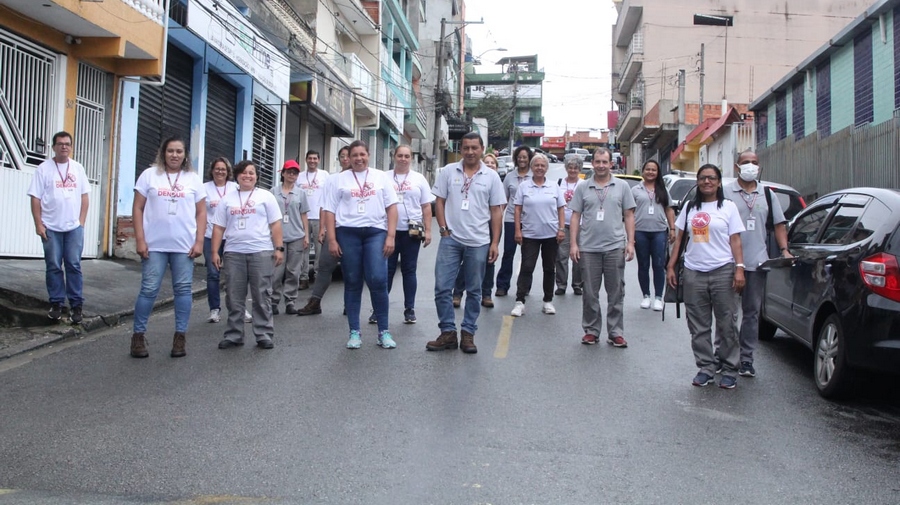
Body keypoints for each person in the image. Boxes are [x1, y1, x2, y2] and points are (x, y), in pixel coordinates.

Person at [666, 163, 746, 389]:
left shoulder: (728, 207)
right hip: (693, 272)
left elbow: (735, 240)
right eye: (702, 178)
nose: (706, 182)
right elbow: (680, 239)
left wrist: (739, 267)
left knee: (726, 323)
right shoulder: (691, 208)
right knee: (698, 325)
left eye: (711, 178)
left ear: (719, 182)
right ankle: (706, 367)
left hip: (723, 271)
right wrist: (671, 267)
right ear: (698, 182)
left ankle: (730, 368)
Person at [427, 132, 505, 354]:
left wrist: (494, 242)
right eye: (466, 148)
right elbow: (439, 201)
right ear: (461, 149)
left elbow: (496, 211)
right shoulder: (448, 172)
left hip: (479, 241)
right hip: (451, 240)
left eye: (474, 147)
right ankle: (448, 332)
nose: (470, 152)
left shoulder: (491, 176)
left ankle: (468, 333)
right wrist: (443, 229)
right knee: (442, 288)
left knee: (474, 290)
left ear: (482, 149)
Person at [130, 136, 206, 358]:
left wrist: (199, 240)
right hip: (154, 245)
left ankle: (180, 337)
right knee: (149, 289)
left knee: (183, 290)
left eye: (179, 151)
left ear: (185, 155)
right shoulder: (149, 175)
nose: (174, 155)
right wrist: (140, 239)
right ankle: (138, 337)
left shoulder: (193, 179)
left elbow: (202, 212)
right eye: (170, 151)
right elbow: (137, 208)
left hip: (184, 246)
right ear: (163, 153)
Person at [323, 140, 398, 349]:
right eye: (354, 155)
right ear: (348, 157)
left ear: (368, 155)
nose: (358, 158)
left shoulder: (380, 177)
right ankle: (354, 332)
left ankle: (384, 331)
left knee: (378, 278)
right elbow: (329, 210)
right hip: (348, 233)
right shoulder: (338, 180)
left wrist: (391, 236)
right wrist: (332, 239)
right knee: (353, 281)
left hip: (375, 232)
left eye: (362, 154)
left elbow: (392, 207)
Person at [725, 151, 791, 378]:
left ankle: (746, 359)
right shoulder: (725, 192)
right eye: (746, 163)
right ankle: (724, 355)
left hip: (757, 263)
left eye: (754, 163)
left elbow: (779, 225)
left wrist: (784, 250)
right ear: (737, 166)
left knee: (751, 314)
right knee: (727, 313)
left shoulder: (767, 195)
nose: (750, 166)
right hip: (728, 263)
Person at [211, 160, 284, 350]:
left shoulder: (265, 197)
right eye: (243, 173)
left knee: (261, 295)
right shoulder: (227, 199)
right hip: (234, 253)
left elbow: (275, 224)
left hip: (261, 251)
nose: (248, 176)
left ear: (257, 176)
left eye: (251, 173)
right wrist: (214, 252)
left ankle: (264, 334)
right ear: (236, 176)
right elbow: (218, 227)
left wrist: (278, 248)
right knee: (234, 296)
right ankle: (234, 334)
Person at [569, 147, 636, 348]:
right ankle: (591, 330)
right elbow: (575, 216)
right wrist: (574, 244)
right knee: (590, 292)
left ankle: (615, 332)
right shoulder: (583, 187)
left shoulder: (622, 186)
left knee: (616, 292)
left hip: (615, 247)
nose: (600, 166)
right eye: (597, 162)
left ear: (610, 164)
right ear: (593, 163)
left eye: (604, 162)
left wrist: (630, 242)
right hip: (588, 248)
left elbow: (630, 215)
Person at [27, 131, 90, 323]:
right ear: (53, 147)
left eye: (67, 144)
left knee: (74, 265)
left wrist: (81, 223)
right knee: (53, 266)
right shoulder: (44, 169)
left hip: (73, 229)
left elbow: (85, 196)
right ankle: (56, 304)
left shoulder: (78, 168)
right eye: (60, 144)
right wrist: (39, 224)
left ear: (71, 147)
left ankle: (76, 305)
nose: (64, 147)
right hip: (51, 228)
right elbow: (35, 198)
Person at [296, 145, 351, 316]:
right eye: (342, 156)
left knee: (351, 269)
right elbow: (325, 205)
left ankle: (350, 304)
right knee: (325, 266)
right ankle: (315, 302)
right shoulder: (333, 179)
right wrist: (323, 228)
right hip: (334, 230)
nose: (345, 159)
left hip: (353, 231)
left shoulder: (362, 179)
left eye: (348, 156)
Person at [510, 153, 566, 317]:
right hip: (530, 234)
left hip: (551, 235)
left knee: (549, 268)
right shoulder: (524, 186)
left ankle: (548, 301)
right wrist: (518, 230)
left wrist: (561, 229)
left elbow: (561, 208)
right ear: (531, 168)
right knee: (527, 268)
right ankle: (520, 302)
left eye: (542, 165)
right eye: (536, 165)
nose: (539, 168)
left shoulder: (554, 186)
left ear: (546, 168)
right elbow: (517, 209)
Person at [384, 145, 434, 324]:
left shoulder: (419, 179)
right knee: (386, 271)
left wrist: (428, 230)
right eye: (400, 155)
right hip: (388, 231)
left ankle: (409, 309)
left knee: (409, 270)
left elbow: (426, 206)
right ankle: (379, 308)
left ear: (411, 158)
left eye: (406, 156)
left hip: (411, 232)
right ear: (394, 156)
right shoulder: (384, 177)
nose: (403, 159)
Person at [453, 152, 501, 308]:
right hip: (472, 225)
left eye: (493, 163)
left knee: (489, 261)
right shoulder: (473, 178)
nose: (490, 165)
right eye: (487, 162)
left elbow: (498, 208)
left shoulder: (495, 182)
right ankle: (458, 292)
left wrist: (495, 239)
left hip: (490, 225)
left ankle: (486, 294)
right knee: (468, 261)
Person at [632, 159, 676, 312]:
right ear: (643, 171)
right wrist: (630, 236)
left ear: (658, 173)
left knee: (658, 264)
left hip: (659, 231)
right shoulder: (635, 190)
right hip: (640, 231)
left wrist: (672, 229)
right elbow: (629, 213)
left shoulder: (663, 190)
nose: (650, 172)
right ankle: (646, 296)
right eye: (648, 169)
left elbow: (669, 210)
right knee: (643, 265)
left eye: (654, 170)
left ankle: (658, 297)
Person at [270, 160, 310, 315]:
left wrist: (306, 236)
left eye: (295, 172)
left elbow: (304, 215)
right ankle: (273, 301)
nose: (291, 175)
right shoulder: (273, 191)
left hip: (296, 236)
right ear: (283, 173)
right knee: (276, 271)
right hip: (278, 237)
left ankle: (290, 301)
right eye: (289, 172)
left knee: (293, 271)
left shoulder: (301, 193)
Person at [202, 157, 238, 323]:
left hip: (231, 237)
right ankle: (214, 309)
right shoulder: (204, 189)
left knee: (235, 274)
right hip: (210, 236)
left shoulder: (235, 188)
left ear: (228, 171)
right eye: (217, 168)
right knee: (213, 274)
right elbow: (200, 213)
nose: (220, 172)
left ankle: (239, 308)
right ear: (212, 170)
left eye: (223, 169)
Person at [495, 145, 532, 296]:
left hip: (529, 221)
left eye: (525, 157)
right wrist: (497, 218)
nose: (522, 159)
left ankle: (524, 287)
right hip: (511, 219)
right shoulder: (510, 176)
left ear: (529, 159)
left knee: (527, 255)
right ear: (516, 159)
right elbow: (503, 200)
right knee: (508, 253)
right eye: (519, 157)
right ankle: (502, 286)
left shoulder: (534, 176)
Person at [297, 150, 329, 291]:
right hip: (302, 217)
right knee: (303, 248)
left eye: (315, 158)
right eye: (310, 158)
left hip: (319, 217)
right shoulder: (299, 176)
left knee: (319, 250)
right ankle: (303, 278)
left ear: (319, 160)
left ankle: (317, 276)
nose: (312, 161)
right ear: (306, 160)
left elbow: (328, 195)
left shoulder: (325, 175)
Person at [555, 156, 584, 296]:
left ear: (579, 169)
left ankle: (577, 284)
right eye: (570, 167)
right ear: (566, 168)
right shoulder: (559, 183)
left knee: (578, 255)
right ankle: (561, 284)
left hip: (580, 225)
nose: (573, 170)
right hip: (563, 224)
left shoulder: (584, 184)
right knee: (561, 256)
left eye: (576, 168)